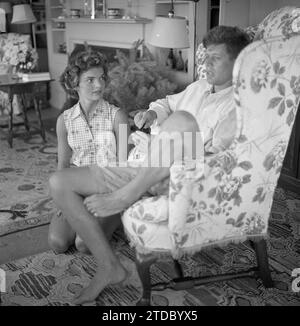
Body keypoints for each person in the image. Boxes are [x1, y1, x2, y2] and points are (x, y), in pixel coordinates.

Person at [49, 26, 250, 304]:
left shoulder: (238, 105)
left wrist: (175, 142)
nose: (205, 64)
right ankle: (111, 267)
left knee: (182, 121)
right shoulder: (199, 87)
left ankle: (125, 196)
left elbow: (220, 162)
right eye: (205, 57)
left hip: (184, 176)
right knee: (58, 182)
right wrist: (152, 113)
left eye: (215, 58)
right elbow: (166, 103)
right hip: (147, 166)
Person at [48, 50, 129, 255]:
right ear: (75, 83)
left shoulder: (117, 117)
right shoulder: (64, 121)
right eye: (90, 80)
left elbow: (123, 167)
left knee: (83, 245)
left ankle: (116, 217)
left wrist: (113, 199)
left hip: (107, 188)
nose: (99, 85)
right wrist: (61, 199)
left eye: (101, 78)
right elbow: (63, 166)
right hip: (75, 189)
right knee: (57, 243)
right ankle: (84, 217)